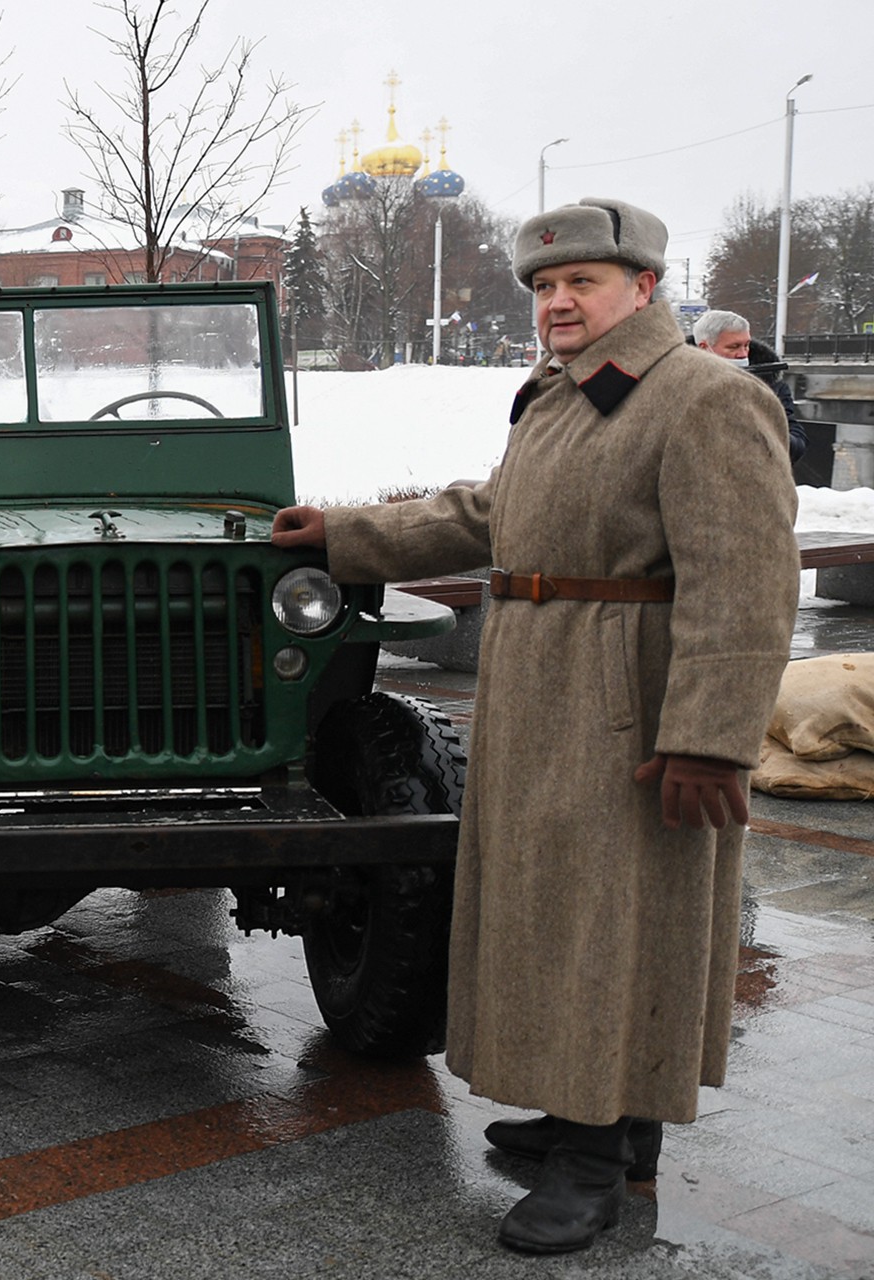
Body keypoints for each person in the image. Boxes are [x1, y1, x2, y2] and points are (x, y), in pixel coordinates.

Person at [272, 197, 798, 1255]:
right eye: (544, 288)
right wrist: (345, 534)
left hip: (626, 704)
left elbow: (744, 580)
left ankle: (592, 1163)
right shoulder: (561, 396)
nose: (557, 301)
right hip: (545, 691)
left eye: (582, 283)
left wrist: (709, 733)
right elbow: (485, 515)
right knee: (565, 909)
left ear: (643, 287)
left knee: (608, 920)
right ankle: (601, 1116)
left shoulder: (702, 396)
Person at [692, 309, 807, 463]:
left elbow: (797, 445)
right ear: (704, 347)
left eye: (746, 345)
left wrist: (763, 431)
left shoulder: (772, 386)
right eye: (733, 347)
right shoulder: (677, 384)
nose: (743, 354)